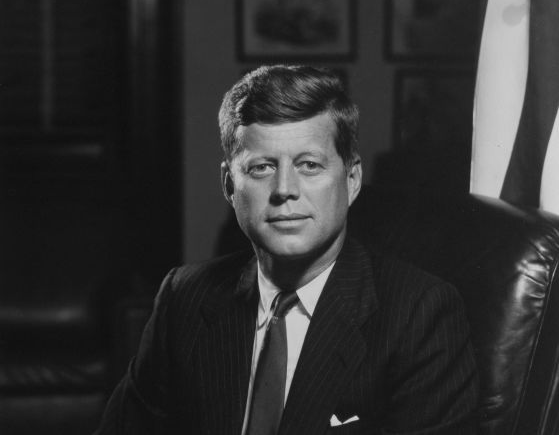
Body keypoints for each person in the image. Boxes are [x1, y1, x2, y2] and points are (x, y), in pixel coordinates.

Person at [95, 65, 478, 434]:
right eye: (261, 167)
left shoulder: (420, 314)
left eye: (309, 165)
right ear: (230, 186)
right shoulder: (185, 297)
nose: (284, 190)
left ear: (352, 179)